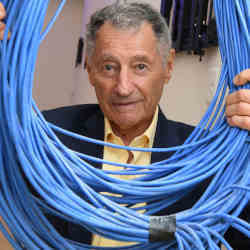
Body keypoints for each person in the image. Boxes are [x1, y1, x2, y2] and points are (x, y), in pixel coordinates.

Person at [0, 1, 250, 249]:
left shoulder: (207, 159)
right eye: (109, 67)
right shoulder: (42, 137)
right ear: (89, 68)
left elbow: (238, 232)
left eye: (140, 67)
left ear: (168, 66)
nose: (123, 87)